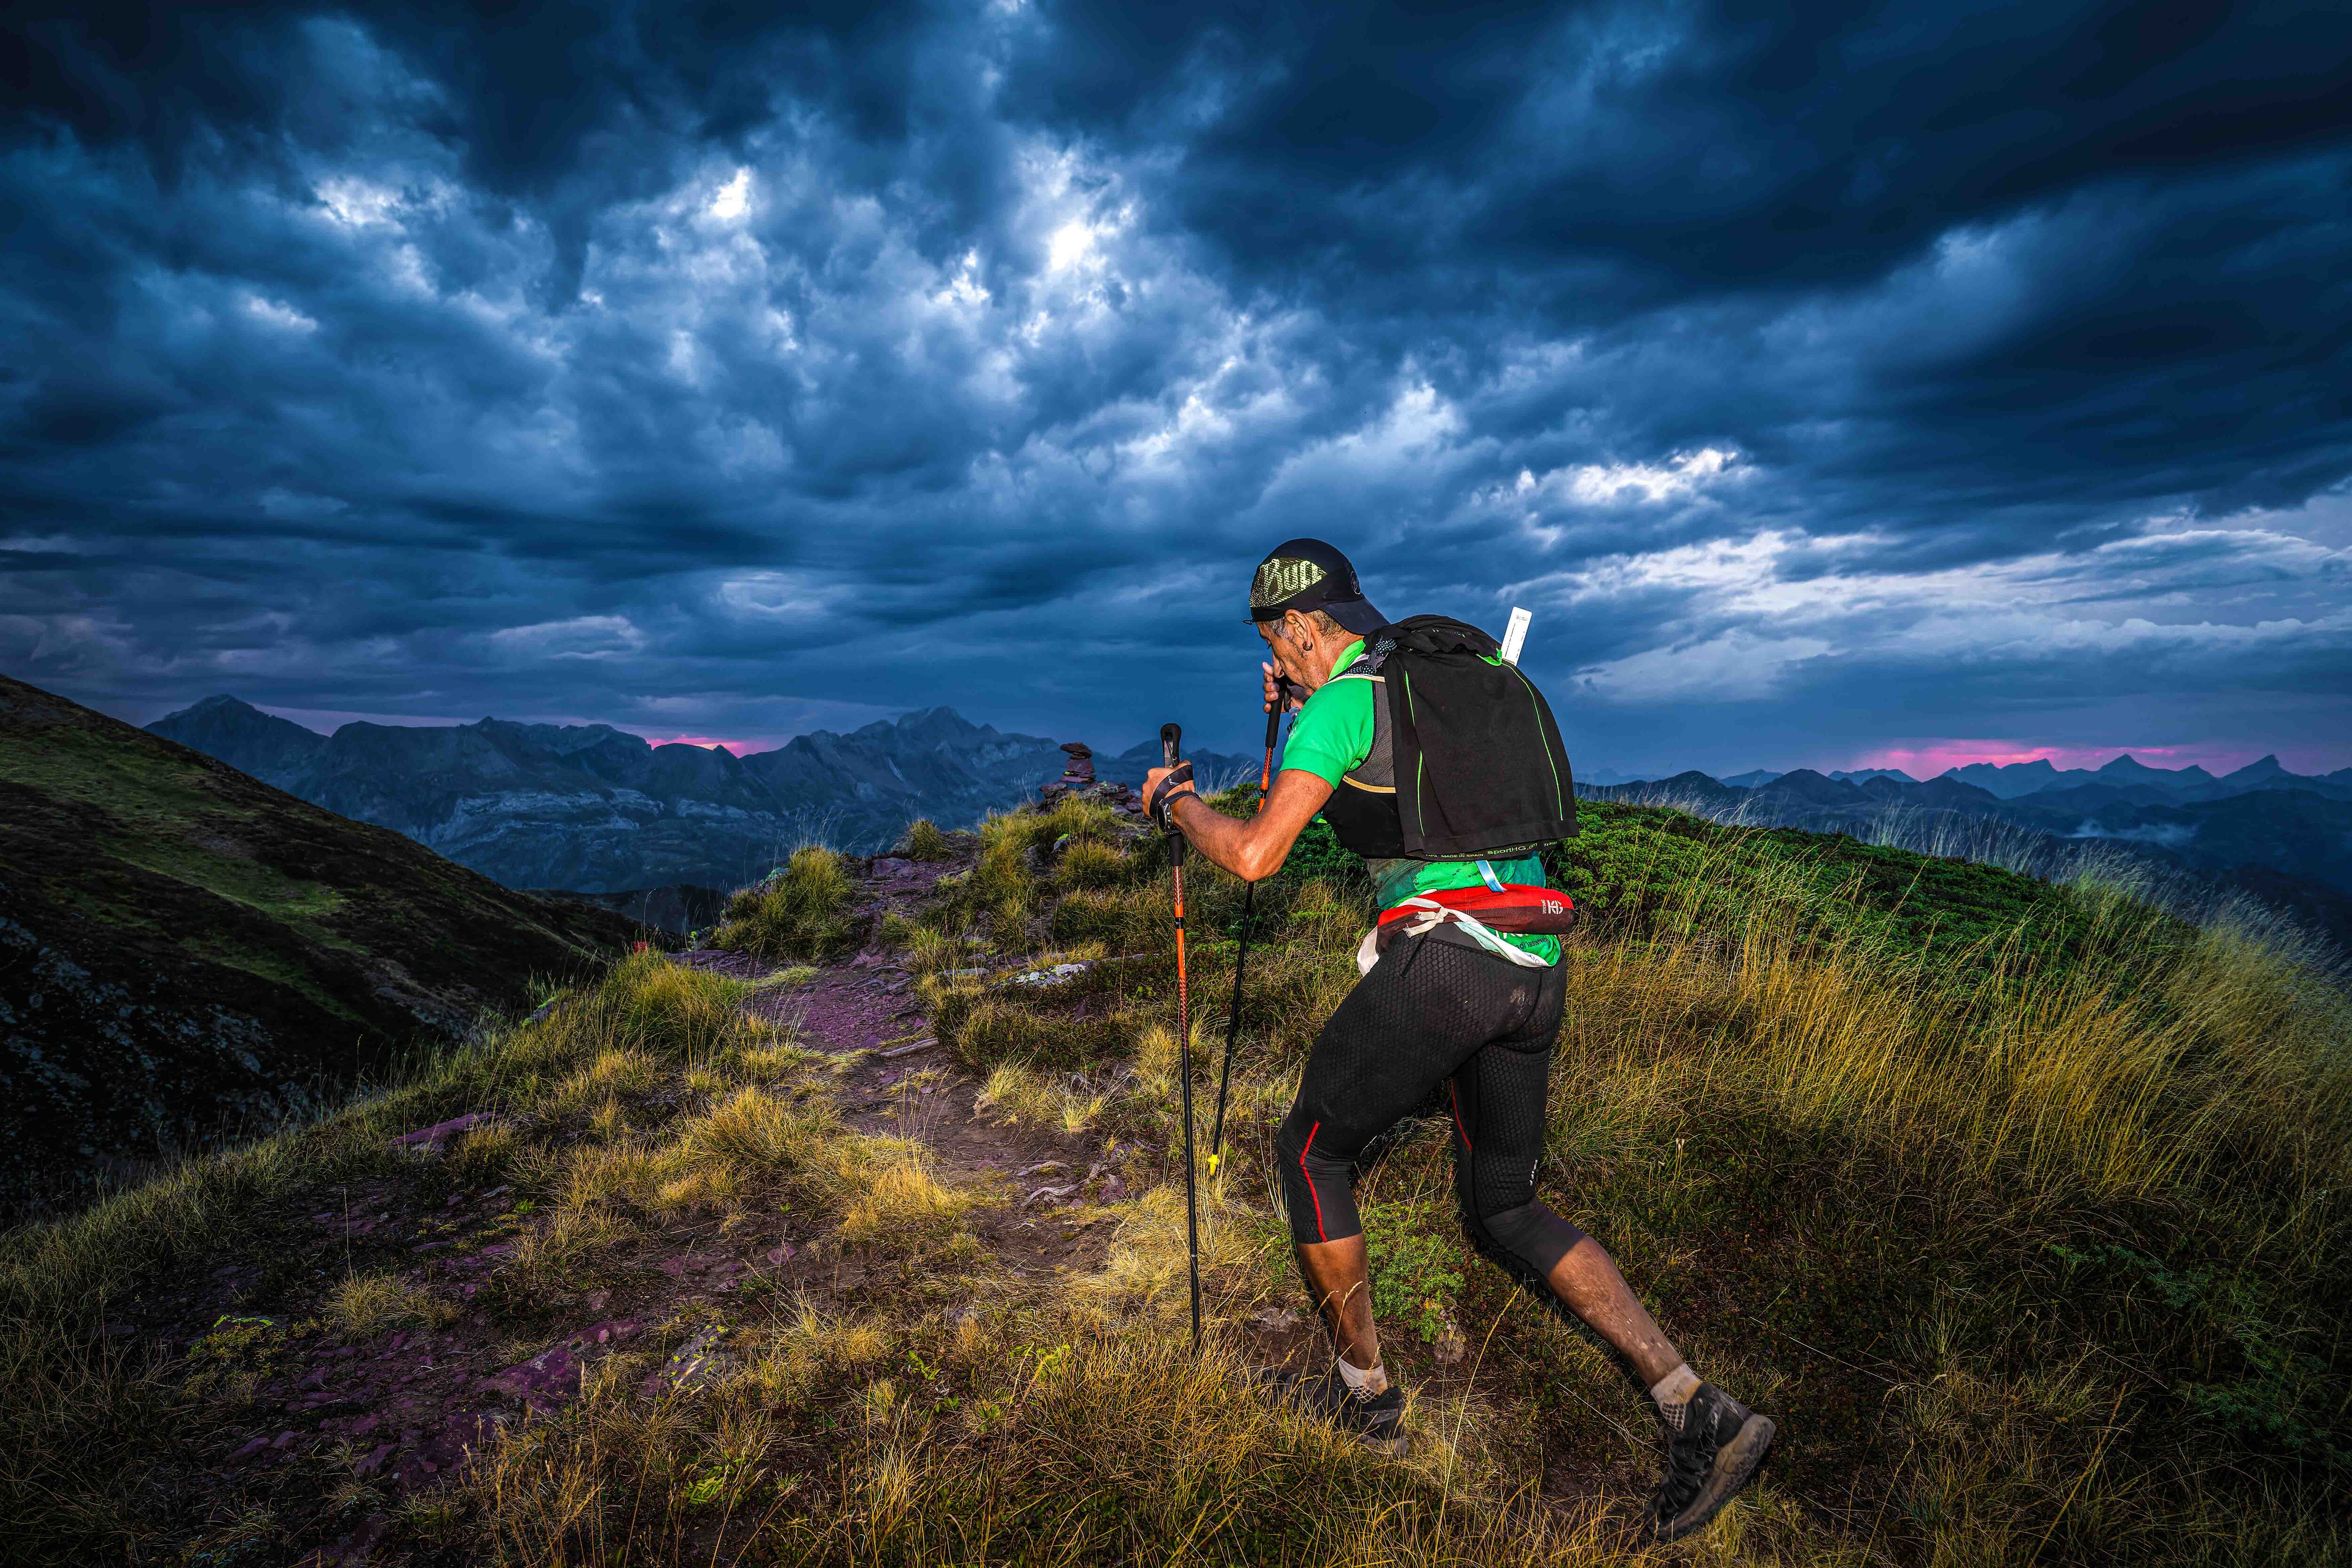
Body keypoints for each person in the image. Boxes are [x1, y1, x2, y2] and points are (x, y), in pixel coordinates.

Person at [1142, 538, 1775, 1542]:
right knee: (1504, 1202)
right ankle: (1698, 1405)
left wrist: (1177, 803)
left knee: (1310, 1147)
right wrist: (1295, 703)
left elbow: (1258, 854)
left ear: (1303, 627)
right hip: (1536, 962)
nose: (1281, 664)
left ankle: (1366, 1400)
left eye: (1279, 644)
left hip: (1446, 965)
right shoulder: (1452, 679)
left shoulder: (1343, 702)